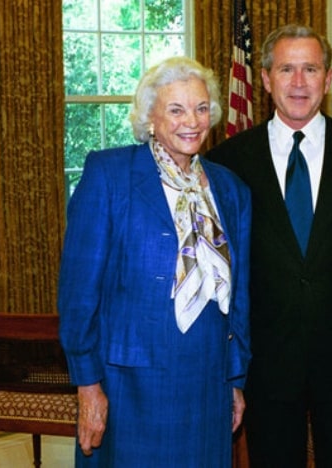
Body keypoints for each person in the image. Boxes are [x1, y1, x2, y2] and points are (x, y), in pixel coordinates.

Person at [206, 24, 332, 468]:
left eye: (311, 68)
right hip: (267, 362)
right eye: (286, 69)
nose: (299, 82)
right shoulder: (227, 161)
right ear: (265, 79)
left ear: (328, 79)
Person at [58, 56, 252, 467]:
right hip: (128, 385)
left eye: (201, 108)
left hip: (206, 379)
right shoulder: (110, 175)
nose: (192, 121)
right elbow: (79, 293)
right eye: (176, 109)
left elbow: (240, 297)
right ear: (150, 117)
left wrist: (235, 380)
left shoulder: (230, 189)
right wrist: (88, 386)